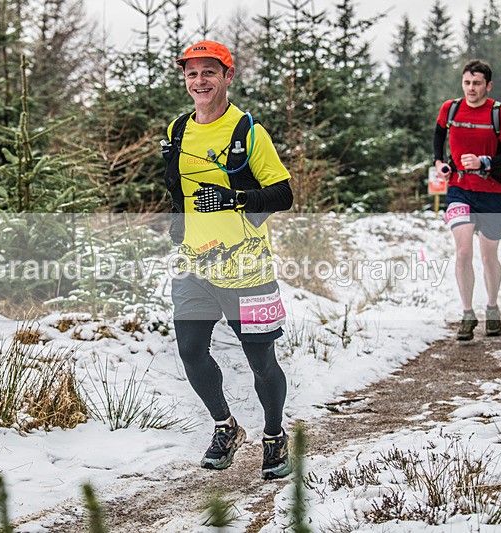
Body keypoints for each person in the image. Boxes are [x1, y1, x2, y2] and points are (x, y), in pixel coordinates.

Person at [161, 40, 294, 479]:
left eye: (208, 73)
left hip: (246, 269)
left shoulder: (248, 132)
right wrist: (179, 223)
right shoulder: (178, 129)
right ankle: (226, 427)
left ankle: (274, 436)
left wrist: (236, 199)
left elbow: (283, 194)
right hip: (193, 265)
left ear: (227, 77)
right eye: (192, 73)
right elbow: (178, 189)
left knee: (260, 362)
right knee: (190, 351)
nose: (199, 81)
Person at [432, 60, 501, 341]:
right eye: (467, 82)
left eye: (477, 83)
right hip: (459, 189)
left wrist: (484, 161)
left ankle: (492, 308)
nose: (471, 88)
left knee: (488, 255)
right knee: (463, 252)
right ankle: (467, 313)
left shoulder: (500, 113)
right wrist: (439, 163)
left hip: (491, 191)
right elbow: (439, 135)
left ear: (488, 85)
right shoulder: (451, 108)